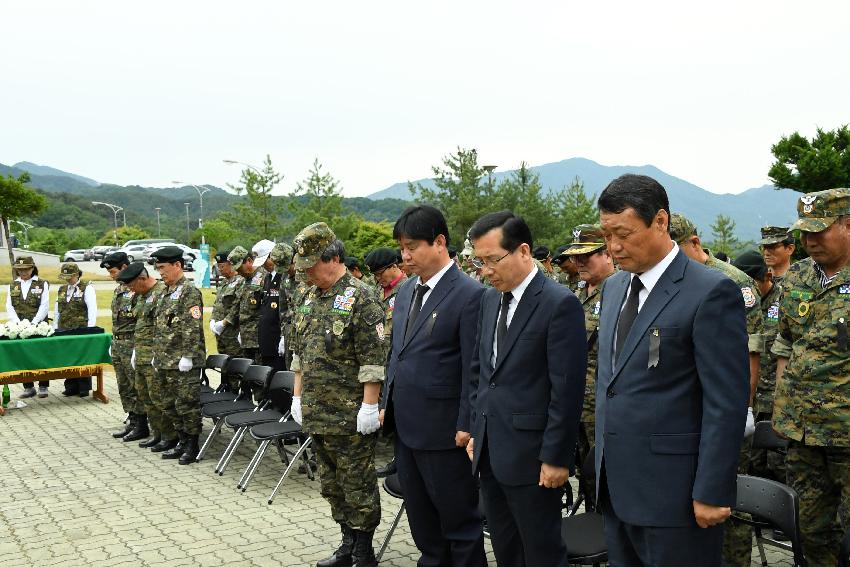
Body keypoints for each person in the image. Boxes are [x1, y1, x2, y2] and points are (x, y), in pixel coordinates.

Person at [595, 174, 749, 566]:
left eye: (624, 233)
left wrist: (712, 489)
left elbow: (726, 402)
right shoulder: (614, 289)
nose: (613, 246)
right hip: (617, 486)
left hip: (676, 495)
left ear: (660, 221)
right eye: (606, 233)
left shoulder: (709, 291)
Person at [467, 211, 586, 566]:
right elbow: (481, 371)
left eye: (492, 260)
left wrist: (556, 457)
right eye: (480, 261)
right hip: (490, 450)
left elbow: (566, 392)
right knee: (505, 547)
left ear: (523, 251)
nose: (485, 270)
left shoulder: (558, 303)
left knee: (541, 551)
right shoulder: (490, 300)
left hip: (533, 457)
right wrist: (477, 428)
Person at [381, 205, 487, 567]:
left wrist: (467, 423)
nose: (405, 256)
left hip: (446, 433)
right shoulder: (408, 291)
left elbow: (474, 366)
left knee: (458, 523)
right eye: (402, 248)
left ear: (440, 242)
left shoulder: (470, 294)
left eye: (412, 246)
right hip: (407, 427)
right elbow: (397, 353)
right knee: (423, 522)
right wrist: (385, 401)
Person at [289, 222, 387, 567]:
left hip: (350, 415)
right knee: (331, 483)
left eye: (311, 266)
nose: (306, 274)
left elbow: (374, 360)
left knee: (357, 483)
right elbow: (300, 351)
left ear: (332, 258)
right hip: (317, 410)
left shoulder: (361, 297)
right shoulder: (308, 295)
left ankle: (364, 550)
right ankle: (346, 542)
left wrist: (369, 406)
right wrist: (297, 396)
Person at [771, 188, 850, 565]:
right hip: (803, 432)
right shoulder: (798, 275)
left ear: (848, 226)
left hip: (847, 432)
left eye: (819, 231)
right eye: (804, 231)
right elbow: (786, 343)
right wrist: (780, 408)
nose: (808, 241)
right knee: (810, 528)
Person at [564, 224, 617, 509]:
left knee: (606, 472)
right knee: (585, 475)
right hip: (577, 401)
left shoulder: (621, 291)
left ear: (608, 254)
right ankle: (591, 526)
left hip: (603, 403)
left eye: (587, 256)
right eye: (576, 257)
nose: (579, 263)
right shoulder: (577, 292)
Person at [732, 250, 786, 485]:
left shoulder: (784, 301)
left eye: (753, 282)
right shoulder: (738, 303)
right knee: (751, 462)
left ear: (766, 277)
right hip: (750, 395)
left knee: (778, 463)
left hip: (774, 396)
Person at [150, 246, 206, 465]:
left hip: (183, 361)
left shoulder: (189, 291)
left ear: (177, 265)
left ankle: (192, 445)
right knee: (168, 402)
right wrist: (156, 354)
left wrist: (189, 356)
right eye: (158, 268)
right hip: (165, 358)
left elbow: (192, 326)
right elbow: (161, 325)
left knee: (186, 404)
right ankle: (181, 440)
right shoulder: (165, 291)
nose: (160, 272)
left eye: (163, 267)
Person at [364, 246, 408, 479]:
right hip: (377, 359)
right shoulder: (375, 291)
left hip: (397, 360)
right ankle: (396, 458)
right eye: (374, 274)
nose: (378, 278)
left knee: (397, 410)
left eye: (381, 273)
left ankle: (400, 460)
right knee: (383, 409)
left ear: (394, 267)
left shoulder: (407, 289)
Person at [118, 262, 167, 447]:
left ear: (142, 278)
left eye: (132, 285)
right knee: (146, 397)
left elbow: (163, 328)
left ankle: (169, 436)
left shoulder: (161, 293)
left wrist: (157, 353)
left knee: (159, 398)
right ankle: (156, 433)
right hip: (140, 355)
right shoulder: (141, 296)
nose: (130, 289)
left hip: (155, 356)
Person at [101, 251, 141, 436]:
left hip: (132, 344)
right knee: (124, 386)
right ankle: (132, 420)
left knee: (136, 386)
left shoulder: (137, 289)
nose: (112, 275)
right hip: (118, 344)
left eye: (113, 271)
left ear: (125, 267)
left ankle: (141, 423)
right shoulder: (119, 289)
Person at [7, 256, 50, 398]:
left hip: (39, 326)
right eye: (20, 270)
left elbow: (44, 305)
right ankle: (28, 386)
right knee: (23, 355)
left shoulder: (42, 283)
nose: (23, 272)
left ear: (32, 268)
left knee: (41, 355)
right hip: (20, 326)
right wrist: (17, 323)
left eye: (26, 269)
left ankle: (43, 385)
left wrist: (34, 323)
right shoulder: (13, 285)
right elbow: (9, 306)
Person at [54, 262, 97, 397]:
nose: (67, 279)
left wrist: (90, 328)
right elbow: (57, 310)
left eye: (70, 276)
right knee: (68, 357)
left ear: (77, 274)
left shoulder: (87, 288)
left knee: (82, 357)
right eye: (65, 276)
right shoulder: (62, 289)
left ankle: (84, 387)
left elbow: (92, 309)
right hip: (64, 328)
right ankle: (71, 386)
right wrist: (55, 326)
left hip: (81, 328)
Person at [209, 250, 243, 365]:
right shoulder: (223, 282)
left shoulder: (240, 281)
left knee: (234, 364)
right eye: (218, 266)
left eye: (222, 266)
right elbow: (217, 303)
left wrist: (225, 322)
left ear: (231, 265)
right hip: (220, 333)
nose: (220, 269)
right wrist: (212, 320)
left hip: (232, 332)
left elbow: (237, 305)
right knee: (223, 364)